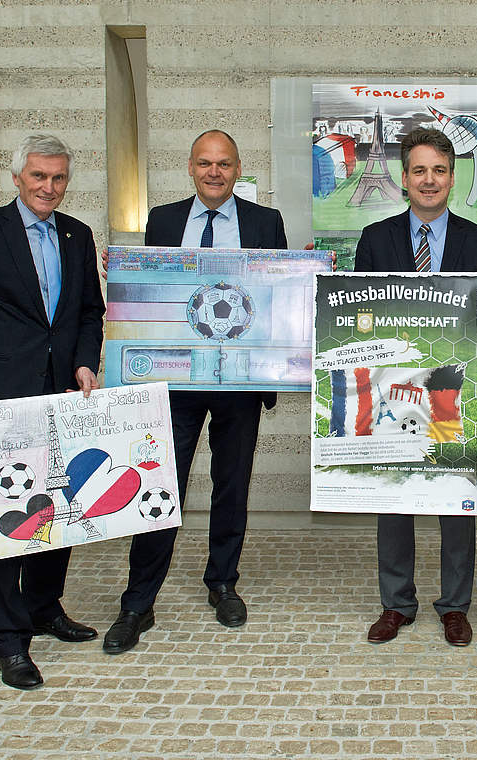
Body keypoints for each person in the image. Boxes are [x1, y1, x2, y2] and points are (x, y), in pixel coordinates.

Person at [0, 133, 105, 690]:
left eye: (57, 178)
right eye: (38, 177)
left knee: (61, 508)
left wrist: (83, 362)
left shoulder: (78, 236)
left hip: (64, 399)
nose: (48, 187)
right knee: (11, 521)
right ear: (17, 177)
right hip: (3, 401)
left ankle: (44, 609)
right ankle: (7, 639)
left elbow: (87, 314)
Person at [103, 129, 288, 654]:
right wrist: (122, 280)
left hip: (240, 381)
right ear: (190, 167)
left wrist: (308, 279)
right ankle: (138, 603)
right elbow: (152, 293)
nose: (214, 172)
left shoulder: (264, 222)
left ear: (237, 168)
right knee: (161, 487)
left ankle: (222, 583)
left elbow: (277, 298)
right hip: (176, 381)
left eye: (224, 164)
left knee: (232, 487)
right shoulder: (161, 221)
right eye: (205, 163)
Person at [354, 127, 477, 647]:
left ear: (452, 177)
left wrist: (474, 377)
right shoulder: (376, 241)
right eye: (419, 170)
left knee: (454, 499)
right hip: (392, 392)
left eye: (439, 171)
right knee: (394, 498)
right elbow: (360, 319)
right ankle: (397, 604)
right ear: (404, 178)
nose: (429, 180)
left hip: (454, 392)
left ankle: (454, 605)